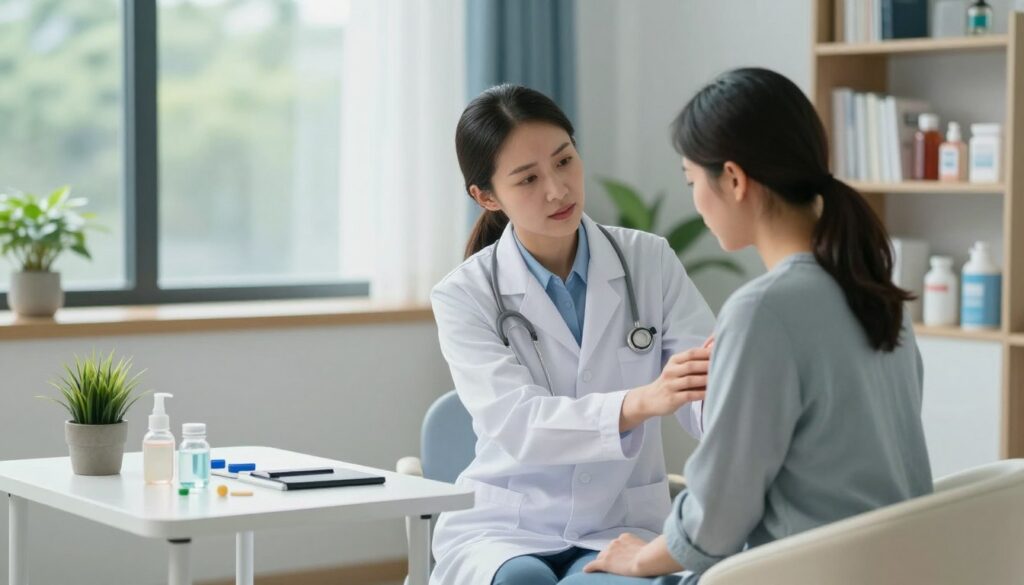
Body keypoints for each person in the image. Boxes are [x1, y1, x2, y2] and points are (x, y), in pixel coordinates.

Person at [580, 67, 933, 584]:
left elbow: (717, 520)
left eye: (692, 180)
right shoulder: (876, 290)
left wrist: (641, 557)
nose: (696, 203)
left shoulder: (763, 311)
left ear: (735, 180)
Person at [428, 84, 717, 585]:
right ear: (487, 196)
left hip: (619, 523)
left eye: (564, 161)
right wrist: (643, 401)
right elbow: (518, 424)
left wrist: (728, 400)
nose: (558, 190)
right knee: (520, 581)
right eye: (528, 179)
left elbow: (702, 389)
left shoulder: (649, 261)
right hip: (506, 526)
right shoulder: (464, 295)